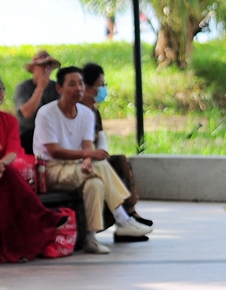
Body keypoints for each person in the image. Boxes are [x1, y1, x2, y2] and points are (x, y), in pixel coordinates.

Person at [34, 67, 152, 254]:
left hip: (77, 167)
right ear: (59, 88)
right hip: (51, 169)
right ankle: (122, 219)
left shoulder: (87, 114)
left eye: (80, 83)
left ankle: (90, 238)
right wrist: (88, 156)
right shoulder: (46, 113)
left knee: (95, 184)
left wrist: (87, 160)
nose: (78, 88)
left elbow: (87, 146)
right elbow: (53, 151)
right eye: (72, 84)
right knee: (100, 166)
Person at [0, 74, 66, 262]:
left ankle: (29, 232)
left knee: (10, 175)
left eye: (0, 89)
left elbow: (12, 150)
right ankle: (43, 216)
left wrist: (0, 166)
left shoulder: (9, 120)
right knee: (8, 179)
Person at [80, 63, 153, 237]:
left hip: (94, 157)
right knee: (105, 168)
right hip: (81, 159)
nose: (104, 89)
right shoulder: (77, 110)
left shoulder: (94, 111)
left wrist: (102, 154)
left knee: (119, 160)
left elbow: (101, 138)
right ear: (88, 88)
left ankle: (129, 213)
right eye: (101, 85)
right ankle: (123, 220)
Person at [13, 49, 61, 154]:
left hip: (52, 133)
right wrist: (40, 88)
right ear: (33, 68)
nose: (46, 68)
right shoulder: (23, 87)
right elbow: (27, 113)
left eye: (49, 65)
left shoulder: (57, 88)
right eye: (42, 65)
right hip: (28, 133)